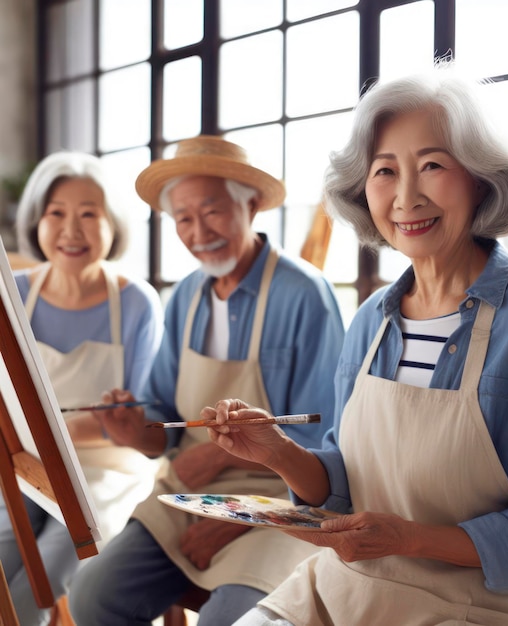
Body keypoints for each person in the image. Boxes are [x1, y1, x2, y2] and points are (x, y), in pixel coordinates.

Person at [200, 65, 508, 626]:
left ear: (483, 178)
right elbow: (345, 483)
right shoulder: (371, 321)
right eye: (385, 171)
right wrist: (278, 453)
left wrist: (411, 539)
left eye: (433, 165)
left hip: (477, 607)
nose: (406, 195)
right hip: (344, 588)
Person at [68, 135, 346, 626]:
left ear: (252, 204)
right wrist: (137, 430)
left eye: (213, 211)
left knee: (227, 620)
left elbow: (324, 440)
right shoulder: (185, 297)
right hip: (187, 495)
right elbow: (163, 414)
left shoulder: (304, 294)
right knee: (92, 596)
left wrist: (232, 517)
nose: (199, 232)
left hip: (281, 502)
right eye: (183, 219)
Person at [0, 151, 164, 625]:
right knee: (6, 557)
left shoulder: (136, 303)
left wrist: (42, 435)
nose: (71, 229)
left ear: (113, 226)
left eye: (89, 214)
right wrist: (31, 445)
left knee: (44, 574)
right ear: (37, 221)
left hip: (107, 475)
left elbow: (136, 421)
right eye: (57, 213)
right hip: (24, 464)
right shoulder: (14, 292)